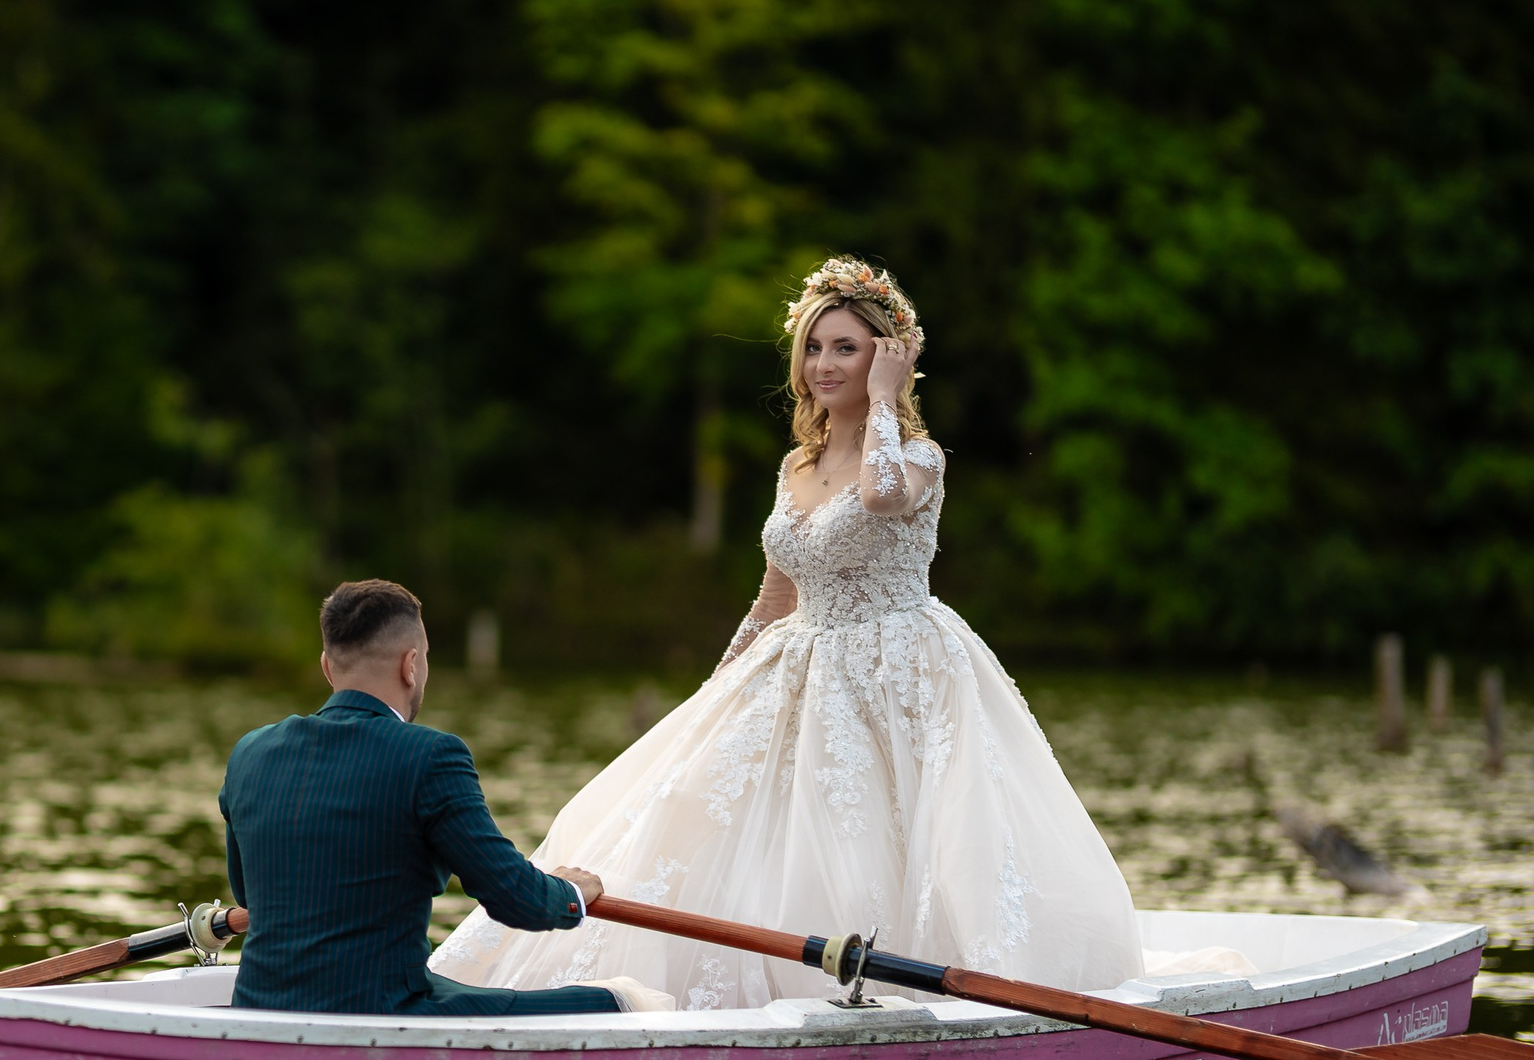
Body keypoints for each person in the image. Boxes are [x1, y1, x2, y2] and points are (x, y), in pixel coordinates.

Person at [429, 257, 1145, 1009]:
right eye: (813, 346)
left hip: (896, 663)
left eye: (847, 346)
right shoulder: (795, 465)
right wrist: (718, 686)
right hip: (798, 660)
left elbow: (880, 493)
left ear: (887, 356)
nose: (823, 363)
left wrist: (883, 402)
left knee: (880, 838)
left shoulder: (919, 458)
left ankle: (913, 985)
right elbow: (777, 590)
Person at [221, 579, 672, 1016]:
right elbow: (514, 897)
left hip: (259, 1005)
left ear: (326, 666)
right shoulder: (431, 755)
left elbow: (249, 894)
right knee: (622, 1001)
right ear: (411, 664)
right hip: (381, 1011)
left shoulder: (250, 751)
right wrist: (572, 891)